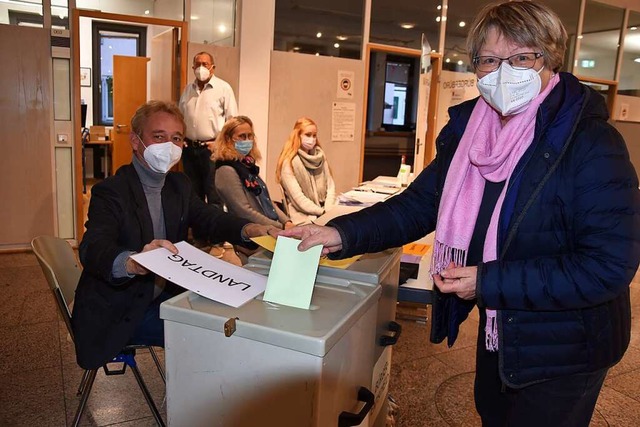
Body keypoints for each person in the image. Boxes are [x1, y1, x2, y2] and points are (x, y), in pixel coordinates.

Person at [280, 2, 640, 426]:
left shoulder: (592, 143)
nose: (503, 72)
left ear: (550, 60)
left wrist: (487, 281)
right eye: (489, 60)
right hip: (500, 328)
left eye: (521, 57)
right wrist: (338, 234)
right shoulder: (471, 132)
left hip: (565, 346)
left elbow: (607, 266)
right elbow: (416, 206)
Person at [71, 101, 274, 370]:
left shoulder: (178, 185)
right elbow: (93, 247)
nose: (168, 145)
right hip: (123, 310)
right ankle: (197, 403)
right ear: (135, 140)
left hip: (166, 294)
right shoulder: (111, 191)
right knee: (212, 335)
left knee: (235, 317)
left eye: (176, 138)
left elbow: (208, 218)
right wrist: (132, 262)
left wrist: (248, 229)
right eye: (158, 137)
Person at [179, 51, 238, 207]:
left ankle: (214, 230)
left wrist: (219, 144)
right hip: (190, 150)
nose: (201, 68)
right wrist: (181, 139)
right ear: (192, 67)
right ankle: (198, 231)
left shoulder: (223, 88)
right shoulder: (188, 90)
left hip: (212, 150)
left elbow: (232, 122)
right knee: (193, 194)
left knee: (214, 194)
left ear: (212, 67)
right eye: (197, 64)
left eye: (204, 64)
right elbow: (179, 117)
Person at [213, 115, 293, 229]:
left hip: (271, 227)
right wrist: (280, 227)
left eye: (250, 136)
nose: (247, 140)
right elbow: (244, 211)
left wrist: (287, 222)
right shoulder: (226, 170)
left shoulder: (247, 165)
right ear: (228, 139)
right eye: (242, 136)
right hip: (253, 233)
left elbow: (268, 203)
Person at [276, 117, 336, 225]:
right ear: (297, 135)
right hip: (302, 216)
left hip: (324, 212)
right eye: (308, 135)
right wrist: (322, 212)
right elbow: (298, 199)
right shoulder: (289, 162)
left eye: (314, 135)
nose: (312, 139)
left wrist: (329, 209)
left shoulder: (320, 156)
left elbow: (330, 186)